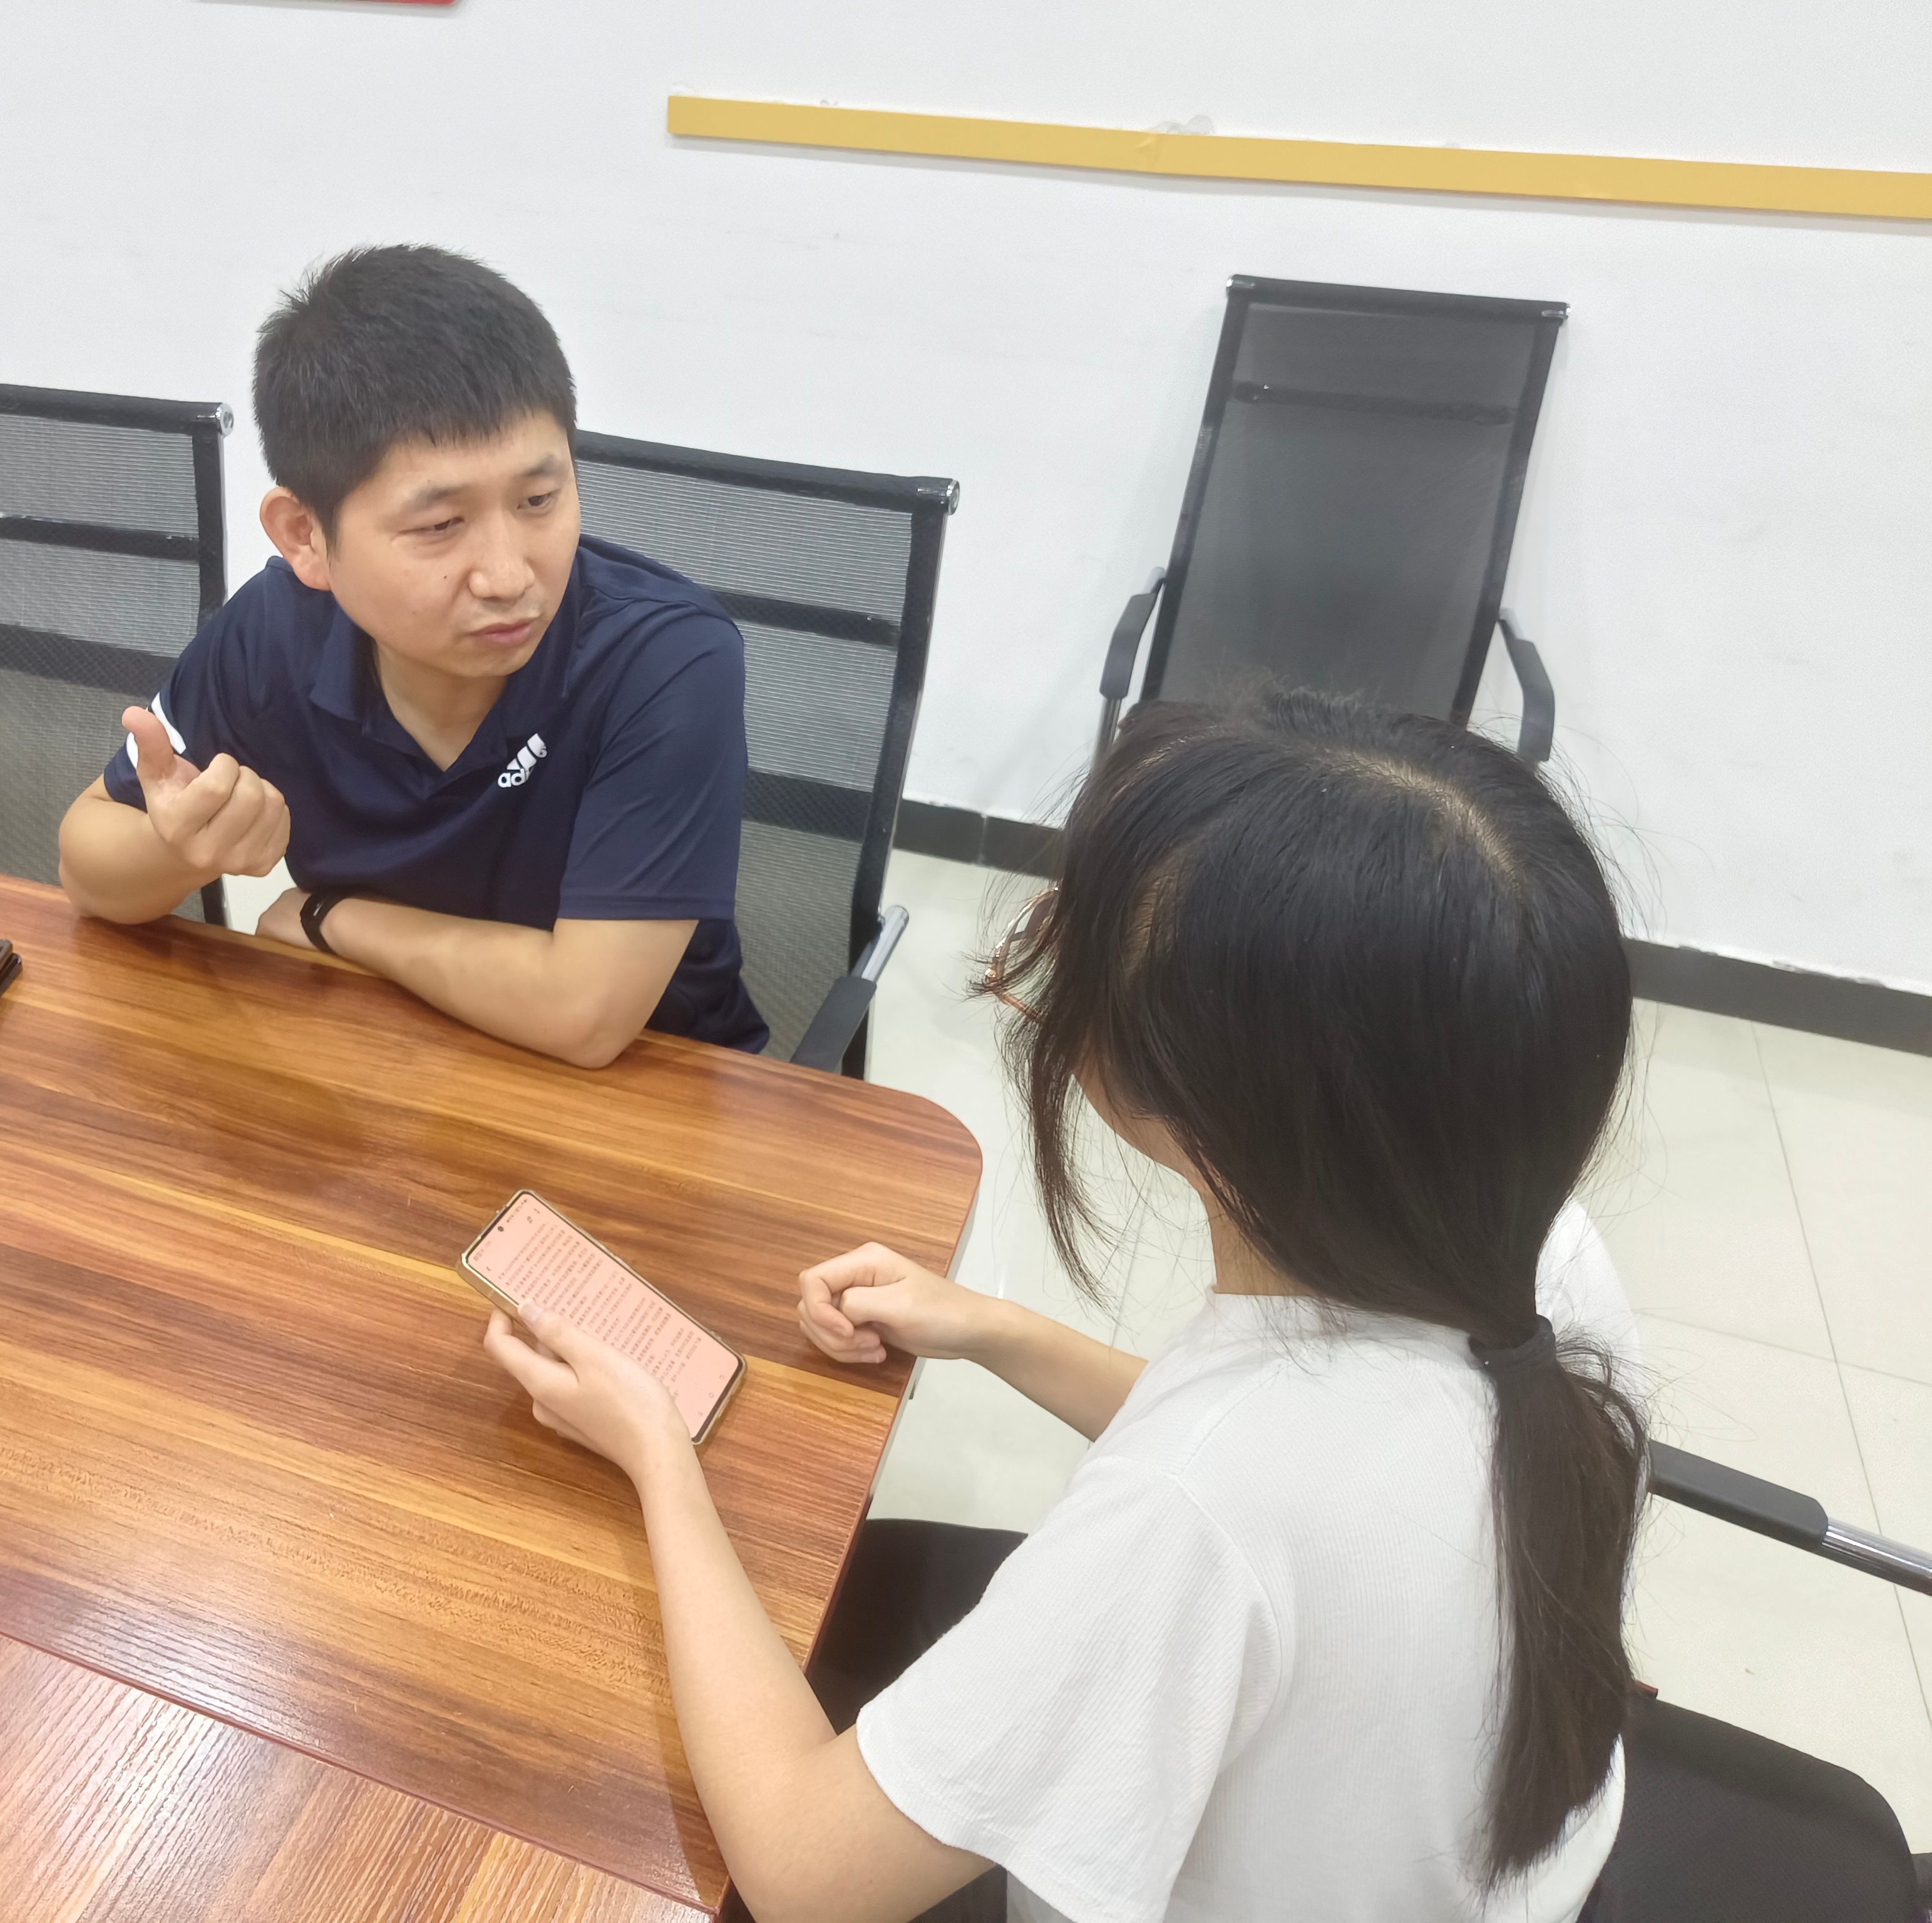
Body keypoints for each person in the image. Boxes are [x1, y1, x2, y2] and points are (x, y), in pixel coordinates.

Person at [483, 689, 1650, 1922]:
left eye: (1071, 953)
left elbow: (800, 1872)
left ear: (1187, 1089)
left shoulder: (1191, 1514)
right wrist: (995, 1331)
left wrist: (658, 1457)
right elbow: (1303, 1474)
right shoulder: (1536, 1253)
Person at [56, 245, 766, 1067]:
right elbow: (88, 868)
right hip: (377, 1059)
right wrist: (179, 846)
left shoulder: (664, 658)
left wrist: (330, 916)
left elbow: (585, 1016)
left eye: (539, 499)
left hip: (654, 1092)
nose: (509, 577)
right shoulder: (277, 633)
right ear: (305, 535)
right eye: (439, 526)